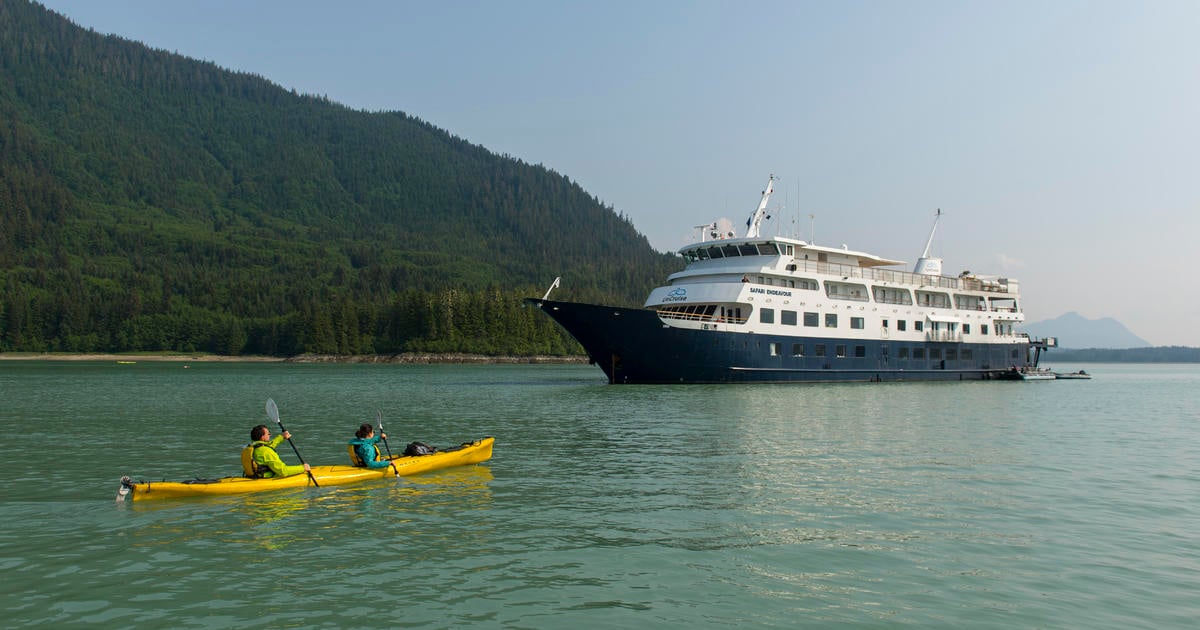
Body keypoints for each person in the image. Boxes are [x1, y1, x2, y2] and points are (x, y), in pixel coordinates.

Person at [241, 424, 311, 478]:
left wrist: (282, 437)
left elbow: (270, 445)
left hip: (254, 477)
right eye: (268, 434)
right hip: (266, 478)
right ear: (263, 437)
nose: (270, 435)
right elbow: (283, 471)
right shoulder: (266, 451)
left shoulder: (255, 447)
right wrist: (303, 468)